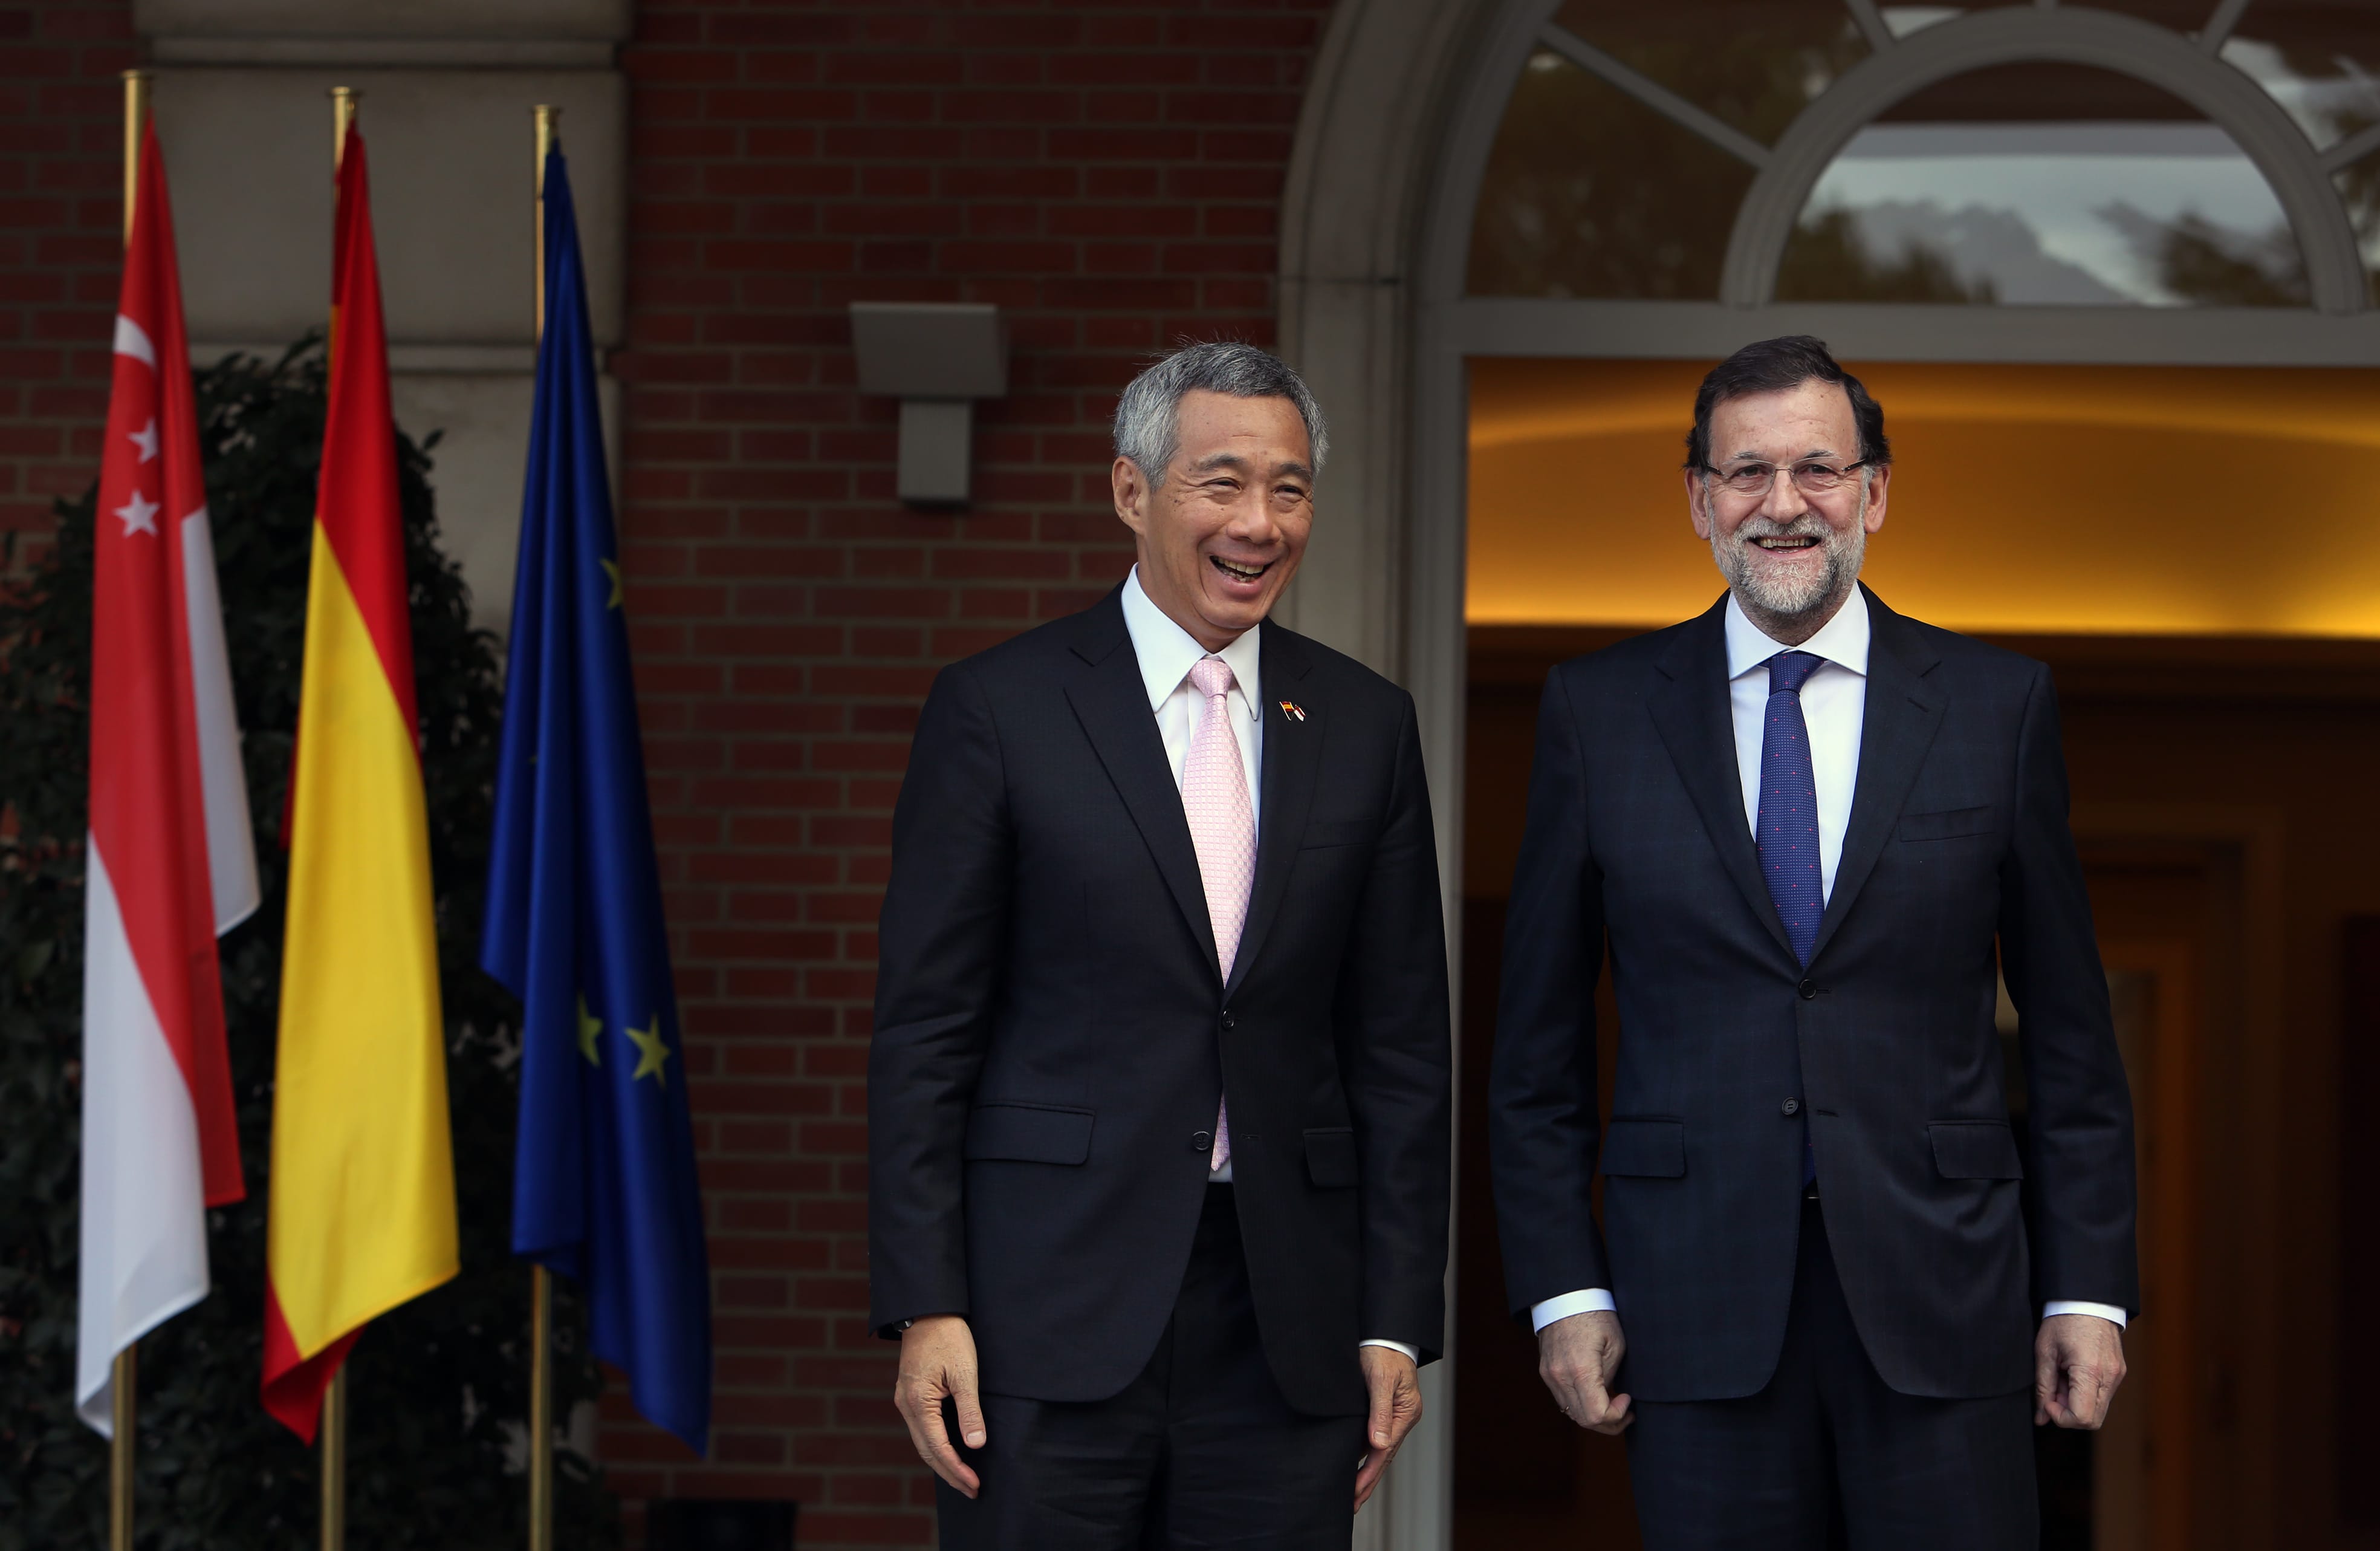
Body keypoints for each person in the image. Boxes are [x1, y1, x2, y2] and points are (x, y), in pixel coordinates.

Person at [1488, 336, 2138, 1547]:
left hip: (1946, 1296)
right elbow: (1535, 1054)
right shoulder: (1598, 711)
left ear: (1874, 492)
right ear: (1697, 499)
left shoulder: (1997, 707)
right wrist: (1563, 1288)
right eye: (1745, 472)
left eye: (1817, 469)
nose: (1782, 505)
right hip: (1689, 1303)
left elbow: (2070, 1040)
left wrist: (2086, 1286)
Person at [869, 340, 1452, 1549]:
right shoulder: (999, 708)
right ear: (1132, 492)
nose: (1259, 521)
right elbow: (927, 1029)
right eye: (1222, 482)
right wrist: (928, 1302)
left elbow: (1399, 1044)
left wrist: (1395, 1316)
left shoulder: (1365, 724)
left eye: (1288, 488)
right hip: (1043, 1314)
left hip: (1285, 1321)